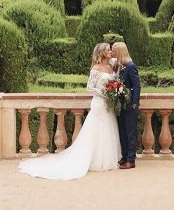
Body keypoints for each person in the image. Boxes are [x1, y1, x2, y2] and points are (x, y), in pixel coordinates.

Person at [18, 42, 121, 180]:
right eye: (108, 50)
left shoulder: (111, 65)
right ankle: (92, 160)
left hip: (109, 105)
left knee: (108, 129)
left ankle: (106, 159)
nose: (110, 52)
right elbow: (89, 88)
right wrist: (105, 93)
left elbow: (119, 69)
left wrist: (115, 90)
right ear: (102, 52)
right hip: (99, 103)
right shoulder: (96, 68)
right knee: (96, 130)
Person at [112, 41, 141, 169]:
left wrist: (134, 103)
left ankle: (131, 160)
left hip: (130, 106)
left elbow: (137, 86)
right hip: (120, 105)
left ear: (120, 52)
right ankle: (124, 157)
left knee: (130, 133)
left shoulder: (130, 66)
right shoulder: (118, 67)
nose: (112, 53)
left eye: (114, 51)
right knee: (122, 133)